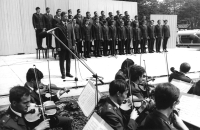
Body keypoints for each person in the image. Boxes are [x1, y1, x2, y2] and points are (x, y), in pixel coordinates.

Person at [0, 86, 73, 130]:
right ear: (14, 103)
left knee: (66, 120)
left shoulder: (26, 106)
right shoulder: (7, 124)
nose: (29, 105)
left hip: (38, 122)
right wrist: (37, 129)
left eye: (29, 101)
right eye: (25, 103)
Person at [55, 12, 75, 79]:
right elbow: (56, 37)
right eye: (65, 16)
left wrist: (73, 44)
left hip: (69, 45)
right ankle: (63, 73)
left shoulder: (70, 25)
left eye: (67, 16)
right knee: (62, 60)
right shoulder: (58, 25)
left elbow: (72, 36)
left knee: (68, 59)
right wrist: (58, 47)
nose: (66, 18)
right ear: (61, 17)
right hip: (62, 45)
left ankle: (68, 73)